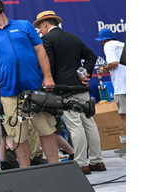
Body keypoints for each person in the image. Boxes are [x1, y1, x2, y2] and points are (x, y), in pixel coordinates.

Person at [0, 0, 59, 167]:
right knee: (18, 135)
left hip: (35, 88)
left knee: (46, 130)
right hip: (8, 93)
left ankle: (56, 169)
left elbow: (40, 51)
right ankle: (26, 172)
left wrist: (47, 76)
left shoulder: (24, 25)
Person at [34, 11, 105, 175]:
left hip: (64, 90)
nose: (40, 31)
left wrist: (48, 82)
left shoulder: (47, 40)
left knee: (75, 125)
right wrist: (85, 74)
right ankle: (97, 161)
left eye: (40, 27)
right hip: (81, 87)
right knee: (89, 122)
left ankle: (81, 163)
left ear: (45, 24)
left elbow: (49, 65)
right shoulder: (73, 37)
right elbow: (91, 57)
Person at [96, 28, 126, 155]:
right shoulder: (123, 44)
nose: (101, 43)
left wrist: (104, 69)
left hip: (122, 86)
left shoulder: (108, 45)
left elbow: (114, 62)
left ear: (104, 40)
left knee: (125, 117)